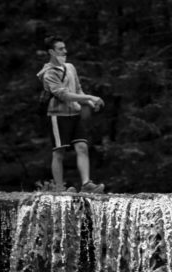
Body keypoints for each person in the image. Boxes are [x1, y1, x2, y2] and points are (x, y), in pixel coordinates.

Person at [37, 36, 105, 192]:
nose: (65, 51)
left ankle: (86, 184)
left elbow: (78, 90)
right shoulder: (49, 74)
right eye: (60, 49)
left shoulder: (70, 67)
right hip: (57, 115)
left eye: (64, 48)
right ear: (51, 52)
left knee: (82, 146)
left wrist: (89, 102)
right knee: (59, 152)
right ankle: (60, 189)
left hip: (74, 113)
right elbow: (64, 95)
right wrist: (90, 97)